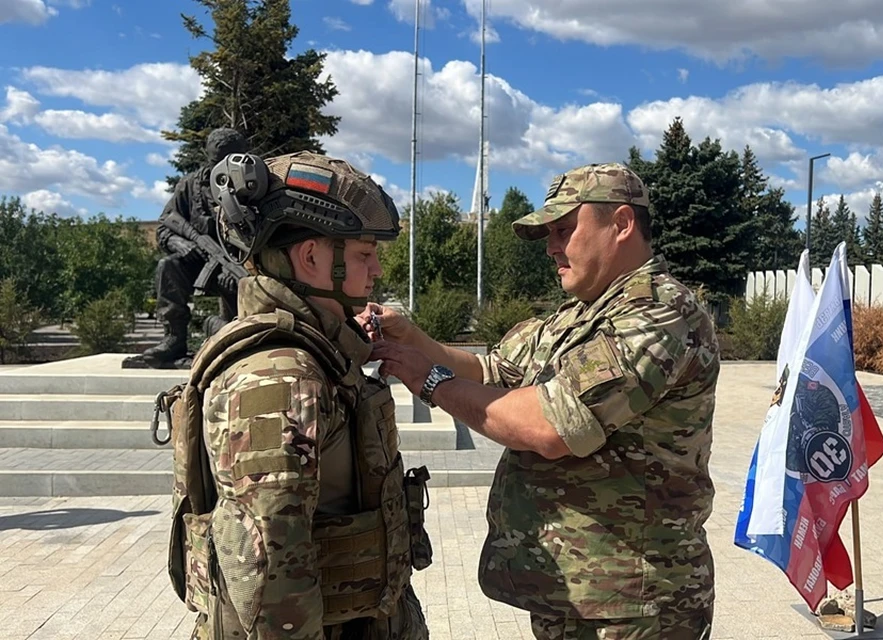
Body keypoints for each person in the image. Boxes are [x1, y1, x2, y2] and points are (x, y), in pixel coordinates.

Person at [362, 162, 718, 640]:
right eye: (548, 233)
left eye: (564, 229)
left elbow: (551, 427)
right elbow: (491, 371)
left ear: (622, 224)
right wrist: (411, 337)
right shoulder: (577, 315)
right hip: (579, 591)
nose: (552, 246)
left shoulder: (660, 313)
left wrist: (430, 381)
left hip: (635, 603)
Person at [168, 150, 431, 639]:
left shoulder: (319, 357)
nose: (376, 269)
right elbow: (270, 578)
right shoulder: (279, 378)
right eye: (362, 254)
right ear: (311, 257)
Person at [133, 128, 250, 368]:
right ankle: (174, 339)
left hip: (238, 266)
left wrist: (241, 265)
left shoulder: (252, 188)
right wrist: (183, 244)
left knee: (243, 294)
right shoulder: (189, 186)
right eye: (215, 161)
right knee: (168, 266)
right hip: (198, 261)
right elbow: (165, 227)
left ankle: (227, 334)